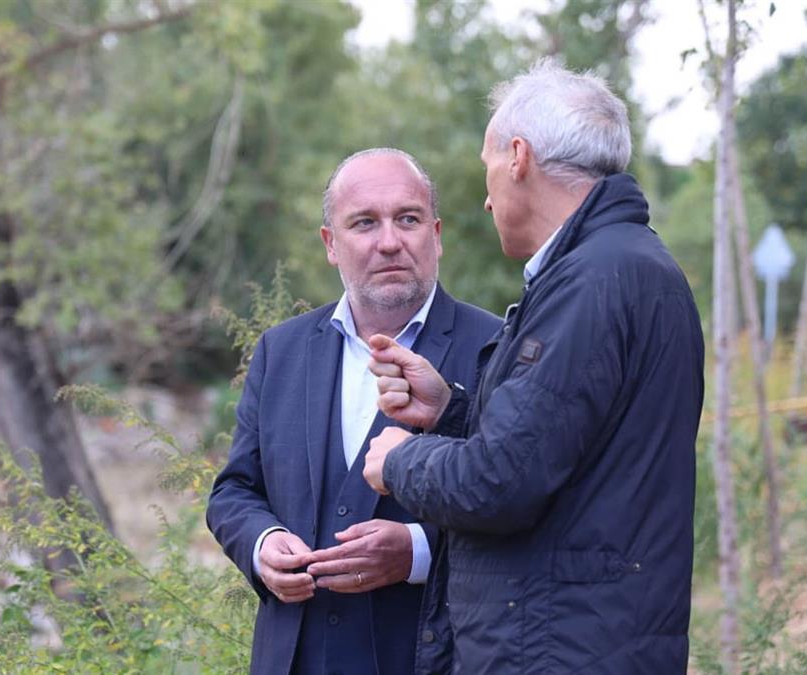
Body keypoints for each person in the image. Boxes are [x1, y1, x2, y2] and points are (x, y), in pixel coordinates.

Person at [362, 61, 705, 673]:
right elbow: (567, 450)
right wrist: (450, 409)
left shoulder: (592, 282)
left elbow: (500, 484)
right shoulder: (621, 266)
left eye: (488, 169)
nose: (488, 197)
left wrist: (400, 460)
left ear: (518, 156)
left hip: (557, 648)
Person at [206, 148, 501, 675]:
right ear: (330, 245)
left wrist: (418, 553)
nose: (389, 242)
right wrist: (262, 543)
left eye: (407, 219)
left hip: (430, 657)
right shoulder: (281, 350)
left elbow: (522, 504)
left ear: (436, 234)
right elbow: (234, 491)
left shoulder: (495, 348)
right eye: (364, 223)